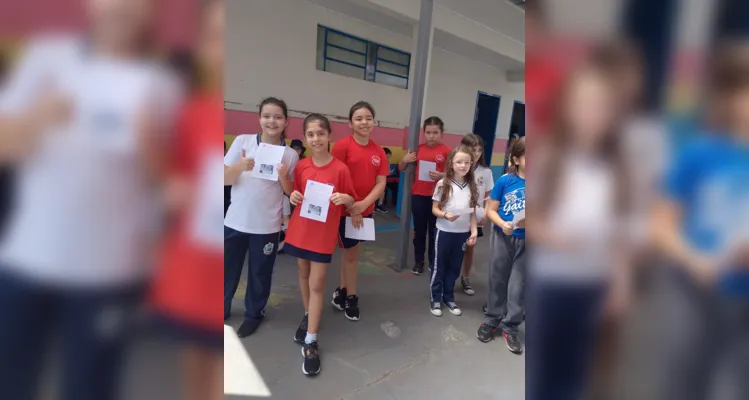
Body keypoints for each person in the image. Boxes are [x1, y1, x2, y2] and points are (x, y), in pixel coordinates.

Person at [0, 0, 180, 398]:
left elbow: (170, 188)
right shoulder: (47, 58)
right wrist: (38, 116)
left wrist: (151, 148)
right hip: (27, 260)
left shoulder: (162, 84)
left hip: (110, 272)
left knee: (90, 388)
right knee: (10, 380)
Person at [524, 58, 628, 399]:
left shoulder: (615, 167)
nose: (592, 114)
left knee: (578, 373)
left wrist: (620, 283)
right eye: (584, 103)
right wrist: (552, 235)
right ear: (567, 108)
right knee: (543, 373)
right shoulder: (550, 158)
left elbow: (619, 231)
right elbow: (530, 218)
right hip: (551, 285)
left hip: (593, 287)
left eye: (601, 105)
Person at [651, 41, 749, 400]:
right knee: (685, 382)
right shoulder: (701, 154)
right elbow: (661, 224)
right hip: (696, 292)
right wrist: (696, 259)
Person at [148, 1, 224, 399]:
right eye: (215, 38)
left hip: (224, 259)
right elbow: (163, 180)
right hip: (193, 270)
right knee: (194, 371)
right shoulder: (189, 113)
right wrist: (173, 189)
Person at [284, 113, 357, 377]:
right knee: (303, 275)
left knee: (317, 283)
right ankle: (308, 314)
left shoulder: (340, 169)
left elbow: (352, 199)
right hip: (300, 230)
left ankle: (311, 341)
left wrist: (345, 197)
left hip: (322, 235)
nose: (316, 138)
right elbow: (295, 192)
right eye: (311, 134)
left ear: (329, 136)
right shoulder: (302, 166)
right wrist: (292, 194)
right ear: (305, 138)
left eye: (321, 133)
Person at [223, 97, 299, 338]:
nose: (271, 121)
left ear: (286, 121)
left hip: (266, 226)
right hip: (234, 222)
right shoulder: (242, 142)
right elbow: (223, 179)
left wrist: (284, 176)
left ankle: (253, 314)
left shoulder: (289, 155)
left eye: (277, 117)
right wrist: (239, 167)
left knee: (259, 273)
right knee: (226, 270)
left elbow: (289, 192)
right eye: (267, 116)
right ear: (259, 118)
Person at [330, 101, 388, 322]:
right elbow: (336, 178)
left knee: (351, 253)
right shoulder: (342, 146)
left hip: (364, 210)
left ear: (374, 122)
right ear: (350, 123)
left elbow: (380, 183)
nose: (364, 122)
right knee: (352, 254)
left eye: (368, 118)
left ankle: (343, 291)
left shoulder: (379, 152)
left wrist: (363, 205)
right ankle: (351, 297)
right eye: (359, 118)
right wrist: (352, 206)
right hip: (345, 210)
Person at [476, 137, 526, 355]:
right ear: (516, 159)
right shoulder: (506, 181)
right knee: (497, 278)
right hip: (503, 237)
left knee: (518, 285)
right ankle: (492, 319)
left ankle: (511, 326)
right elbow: (491, 210)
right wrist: (503, 224)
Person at [429, 145, 479, 317]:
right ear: (451, 163)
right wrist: (445, 215)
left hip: (462, 235)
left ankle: (448, 297)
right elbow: (435, 209)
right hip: (444, 232)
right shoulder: (443, 184)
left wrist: (473, 231)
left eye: (467, 162)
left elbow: (472, 212)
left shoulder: (472, 185)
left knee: (454, 267)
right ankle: (435, 298)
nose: (463, 166)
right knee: (439, 266)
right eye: (459, 162)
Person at [399, 117, 451, 275]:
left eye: (435, 132)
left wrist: (442, 175)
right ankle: (418, 261)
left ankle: (433, 260)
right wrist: (404, 160)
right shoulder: (418, 149)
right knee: (419, 231)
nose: (431, 136)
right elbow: (401, 168)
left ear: (441, 133)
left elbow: (455, 175)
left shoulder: (447, 151)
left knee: (435, 231)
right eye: (428, 132)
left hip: (438, 197)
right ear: (424, 133)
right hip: (419, 195)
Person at [458, 133, 494, 296]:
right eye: (473, 150)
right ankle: (448, 278)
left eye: (480, 150)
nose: (477, 153)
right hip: (458, 215)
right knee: (454, 248)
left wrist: (486, 213)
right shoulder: (458, 167)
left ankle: (465, 277)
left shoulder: (486, 172)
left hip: (475, 215)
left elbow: (489, 195)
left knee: (470, 248)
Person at [375, 147, 398, 212]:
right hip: (376, 180)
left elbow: (386, 172)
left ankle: (380, 204)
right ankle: (376, 205)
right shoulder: (377, 161)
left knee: (387, 187)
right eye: (387, 157)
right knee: (381, 187)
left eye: (389, 157)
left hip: (384, 179)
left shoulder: (387, 163)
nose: (388, 159)